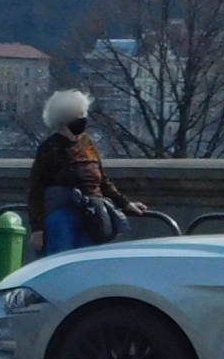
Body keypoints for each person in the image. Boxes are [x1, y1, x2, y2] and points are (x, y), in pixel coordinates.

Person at [25, 90, 147, 256]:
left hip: (92, 215)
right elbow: (35, 190)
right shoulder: (49, 148)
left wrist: (125, 204)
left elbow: (102, 180)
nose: (81, 118)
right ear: (63, 118)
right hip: (62, 217)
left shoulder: (87, 144)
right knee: (60, 261)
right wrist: (37, 229)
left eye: (82, 113)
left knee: (85, 261)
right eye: (76, 114)